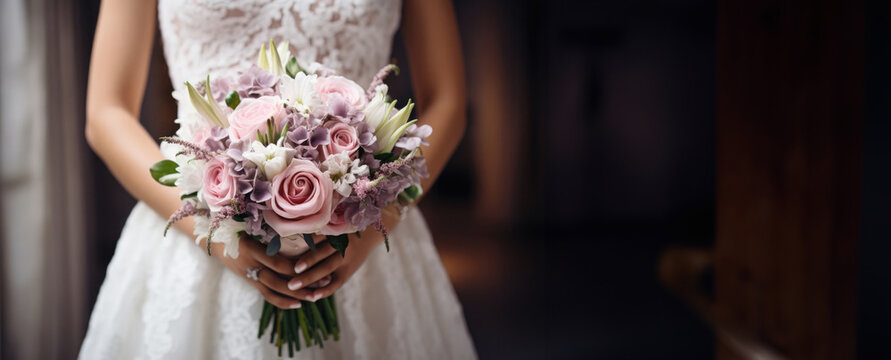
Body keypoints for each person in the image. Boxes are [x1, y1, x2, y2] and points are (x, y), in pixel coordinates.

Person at [79, 0, 475, 358]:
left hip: (365, 229)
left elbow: (447, 101)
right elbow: (106, 112)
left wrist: (374, 224)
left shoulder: (370, 228)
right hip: (192, 227)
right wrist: (212, 233)